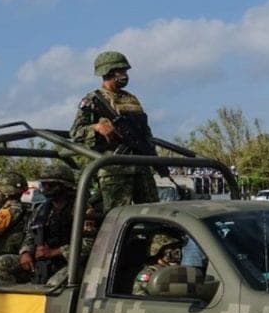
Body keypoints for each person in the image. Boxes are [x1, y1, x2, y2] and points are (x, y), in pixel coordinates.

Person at [70, 50, 158, 210]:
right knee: (116, 216)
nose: (125, 75)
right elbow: (76, 133)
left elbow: (145, 130)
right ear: (108, 72)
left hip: (141, 165)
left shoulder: (131, 99)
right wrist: (96, 127)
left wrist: (152, 154)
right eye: (121, 70)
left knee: (151, 213)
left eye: (125, 71)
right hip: (114, 169)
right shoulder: (93, 100)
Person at [10, 163, 76, 284]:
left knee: (53, 284)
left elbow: (89, 244)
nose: (46, 188)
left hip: (70, 262)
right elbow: (30, 235)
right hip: (42, 260)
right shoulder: (41, 209)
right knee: (3, 264)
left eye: (51, 184)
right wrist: (26, 253)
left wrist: (55, 252)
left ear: (65, 186)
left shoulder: (80, 208)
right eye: (43, 184)